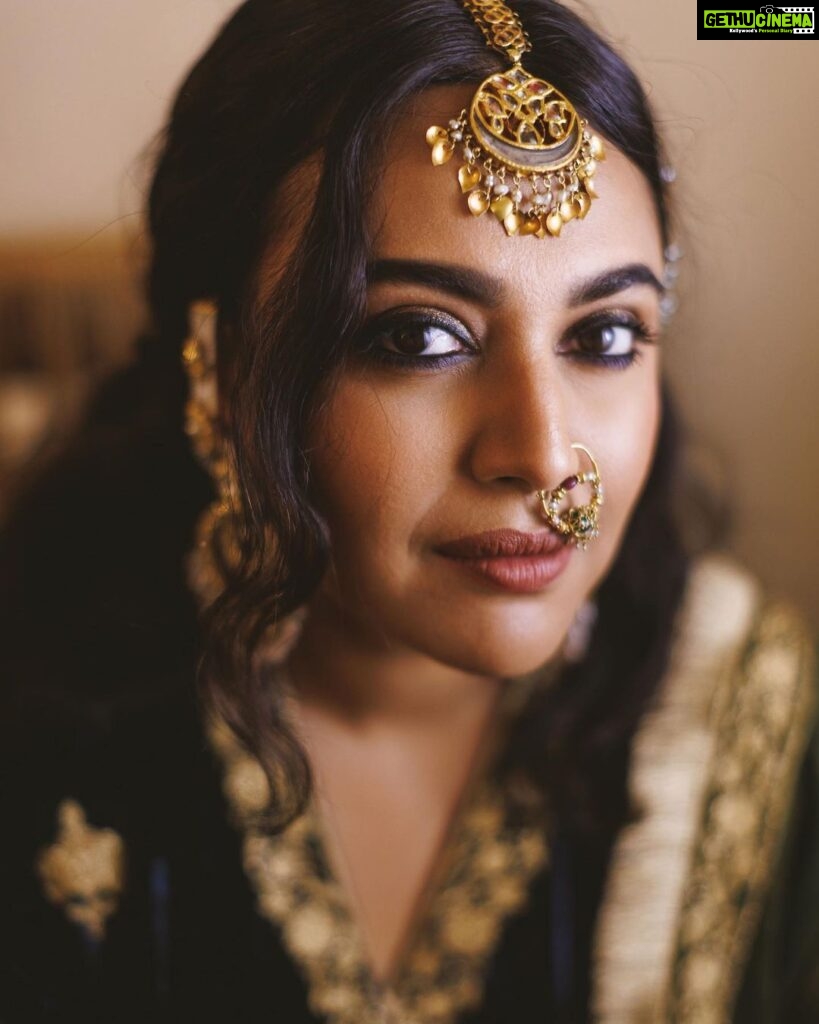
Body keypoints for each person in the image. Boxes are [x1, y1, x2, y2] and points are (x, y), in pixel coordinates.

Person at [1, 1, 816, 1021]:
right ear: (219, 366)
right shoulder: (47, 715)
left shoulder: (756, 733)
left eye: (605, 334)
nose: (540, 456)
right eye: (419, 340)